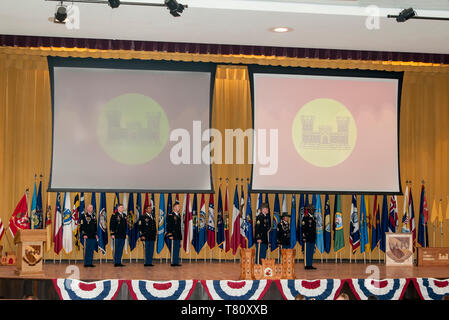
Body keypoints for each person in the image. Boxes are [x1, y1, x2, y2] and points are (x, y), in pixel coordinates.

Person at [165, 199, 182, 267]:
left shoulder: (178, 215)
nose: (179, 208)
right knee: (173, 249)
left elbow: (179, 227)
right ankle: (173, 262)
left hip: (178, 235)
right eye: (178, 207)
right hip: (173, 235)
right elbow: (169, 226)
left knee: (177, 249)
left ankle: (176, 262)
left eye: (179, 207)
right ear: (174, 207)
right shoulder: (171, 215)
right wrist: (170, 234)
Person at [139, 202, 156, 267]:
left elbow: (154, 226)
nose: (150, 209)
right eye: (149, 208)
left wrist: (155, 233)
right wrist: (142, 235)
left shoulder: (153, 216)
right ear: (146, 210)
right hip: (146, 235)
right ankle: (146, 262)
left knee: (151, 249)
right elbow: (140, 227)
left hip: (152, 236)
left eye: (151, 208)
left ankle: (150, 262)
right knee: (147, 249)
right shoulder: (143, 217)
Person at [302, 205, 316, 270]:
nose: (313, 211)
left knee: (311, 252)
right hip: (307, 238)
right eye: (312, 210)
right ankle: (306, 265)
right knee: (307, 252)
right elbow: (303, 228)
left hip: (312, 238)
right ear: (309, 210)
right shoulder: (305, 218)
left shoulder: (314, 218)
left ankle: (310, 264)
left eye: (313, 210)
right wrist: (304, 237)